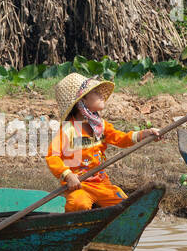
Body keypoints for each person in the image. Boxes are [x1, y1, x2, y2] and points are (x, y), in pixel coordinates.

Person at [45, 73, 160, 212]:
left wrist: (143, 134)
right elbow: (52, 156)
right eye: (95, 92)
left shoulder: (100, 125)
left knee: (125, 206)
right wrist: (68, 175)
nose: (100, 94)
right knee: (78, 205)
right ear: (82, 101)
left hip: (102, 185)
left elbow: (120, 139)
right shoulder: (68, 130)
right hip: (80, 186)